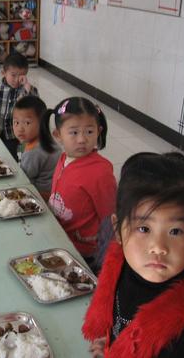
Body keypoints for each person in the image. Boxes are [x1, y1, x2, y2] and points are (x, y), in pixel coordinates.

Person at [82, 152, 184, 357]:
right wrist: (113, 342)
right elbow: (124, 322)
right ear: (118, 229)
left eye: (175, 231)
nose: (158, 247)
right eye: (144, 229)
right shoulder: (118, 268)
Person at [40, 97, 117, 268]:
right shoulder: (64, 158)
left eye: (89, 132)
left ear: (99, 131)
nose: (82, 139)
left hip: (83, 253)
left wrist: (105, 262)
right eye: (74, 132)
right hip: (59, 236)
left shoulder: (100, 172)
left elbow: (110, 218)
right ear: (58, 135)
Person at [0, 53, 38, 159]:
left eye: (21, 76)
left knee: (10, 156)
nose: (16, 80)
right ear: (4, 73)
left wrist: (27, 87)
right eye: (13, 75)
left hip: (12, 133)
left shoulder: (26, 90)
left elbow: (34, 105)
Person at [13, 96, 61, 201]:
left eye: (27, 123)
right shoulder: (46, 139)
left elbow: (22, 179)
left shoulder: (35, 151)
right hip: (55, 192)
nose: (20, 129)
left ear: (42, 123)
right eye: (16, 122)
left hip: (41, 197)